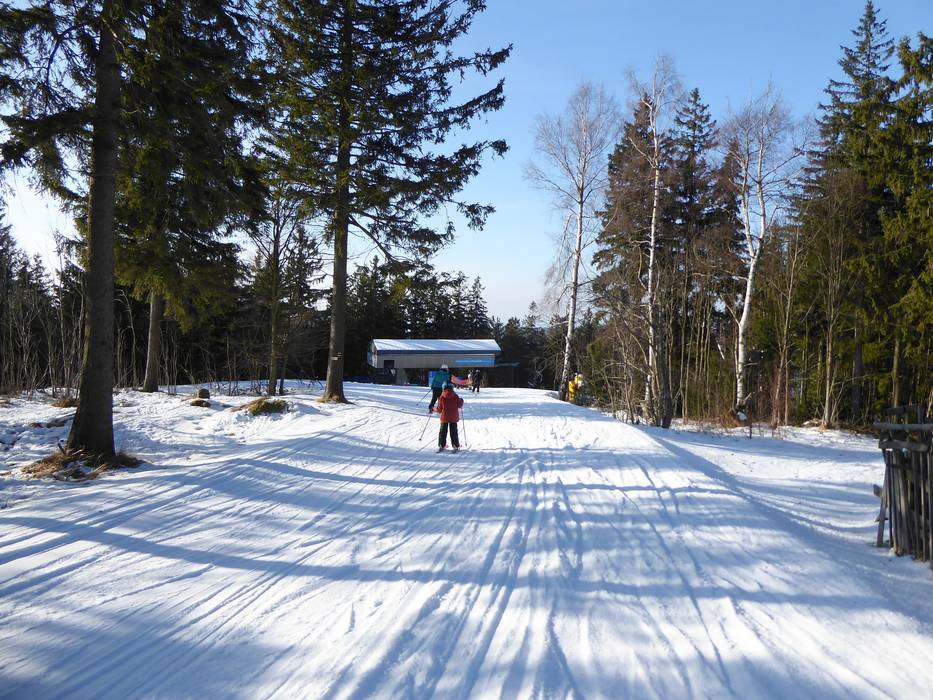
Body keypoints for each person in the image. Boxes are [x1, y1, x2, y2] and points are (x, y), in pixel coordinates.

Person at [433, 382, 464, 452]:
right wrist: (461, 400)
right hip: (453, 417)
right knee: (453, 431)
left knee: (443, 431)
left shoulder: (441, 397)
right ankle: (455, 445)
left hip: (444, 417)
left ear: (443, 388)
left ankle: (441, 445)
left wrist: (433, 409)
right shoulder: (455, 396)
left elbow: (439, 410)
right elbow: (459, 405)